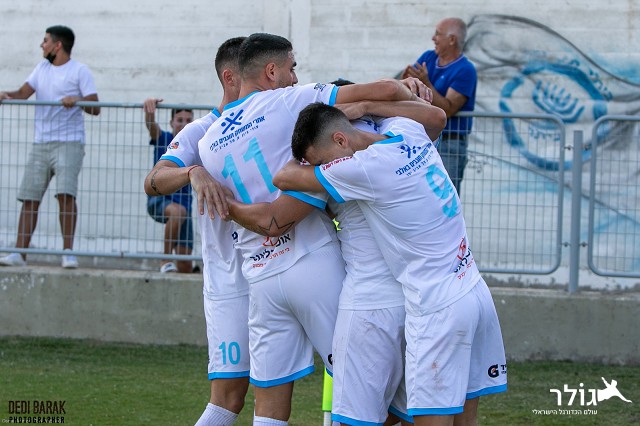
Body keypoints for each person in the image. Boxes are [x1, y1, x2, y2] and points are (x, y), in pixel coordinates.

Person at [197, 33, 428, 425]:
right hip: (311, 262)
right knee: (369, 389)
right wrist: (402, 88)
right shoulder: (285, 102)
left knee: (269, 406)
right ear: (271, 71)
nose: (294, 77)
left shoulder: (208, 142)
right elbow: (386, 90)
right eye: (292, 68)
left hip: (261, 280)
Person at [272, 102, 507, 426]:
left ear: (340, 140)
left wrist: (308, 147)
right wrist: (363, 107)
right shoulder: (406, 130)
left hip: (438, 308)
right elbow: (431, 114)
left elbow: (283, 177)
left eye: (322, 161)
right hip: (473, 288)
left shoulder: (364, 169)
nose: (324, 168)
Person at [143, 37, 250, 426]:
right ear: (231, 77)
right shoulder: (200, 132)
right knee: (229, 398)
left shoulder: (276, 117)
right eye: (262, 72)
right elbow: (153, 180)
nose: (277, 81)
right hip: (229, 282)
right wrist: (192, 171)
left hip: (283, 272)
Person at [0, 25, 100, 268]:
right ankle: (19, 253)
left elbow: (95, 106)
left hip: (69, 142)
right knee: (30, 198)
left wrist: (76, 100)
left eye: (45, 41)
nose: (41, 45)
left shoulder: (79, 70)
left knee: (65, 195)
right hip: (41, 143)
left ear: (58, 45)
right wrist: (5, 95)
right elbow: (22, 93)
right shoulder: (41, 68)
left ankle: (68, 252)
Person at [402, 17, 477, 195]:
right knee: (417, 193)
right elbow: (409, 86)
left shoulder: (466, 70)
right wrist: (406, 82)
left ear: (452, 40)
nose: (433, 38)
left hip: (450, 144)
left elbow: (449, 109)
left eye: (438, 34)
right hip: (422, 139)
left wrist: (426, 82)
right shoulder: (428, 58)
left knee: (444, 195)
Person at [142, 99, 195, 273]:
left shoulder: (195, 146)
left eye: (188, 121)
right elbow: (151, 126)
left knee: (186, 265)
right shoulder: (164, 138)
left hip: (185, 206)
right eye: (180, 120)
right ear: (171, 122)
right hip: (160, 200)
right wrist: (149, 110)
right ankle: (165, 260)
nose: (184, 124)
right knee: (177, 212)